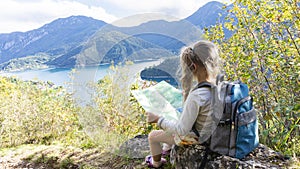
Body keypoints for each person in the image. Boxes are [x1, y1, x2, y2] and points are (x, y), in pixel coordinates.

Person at [144, 40, 221, 168]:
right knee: (175, 118)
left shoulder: (196, 96)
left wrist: (157, 120)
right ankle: (167, 149)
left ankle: (156, 162)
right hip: (215, 133)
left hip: (199, 139)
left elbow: (181, 130)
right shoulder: (217, 85)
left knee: (153, 136)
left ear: (193, 67)